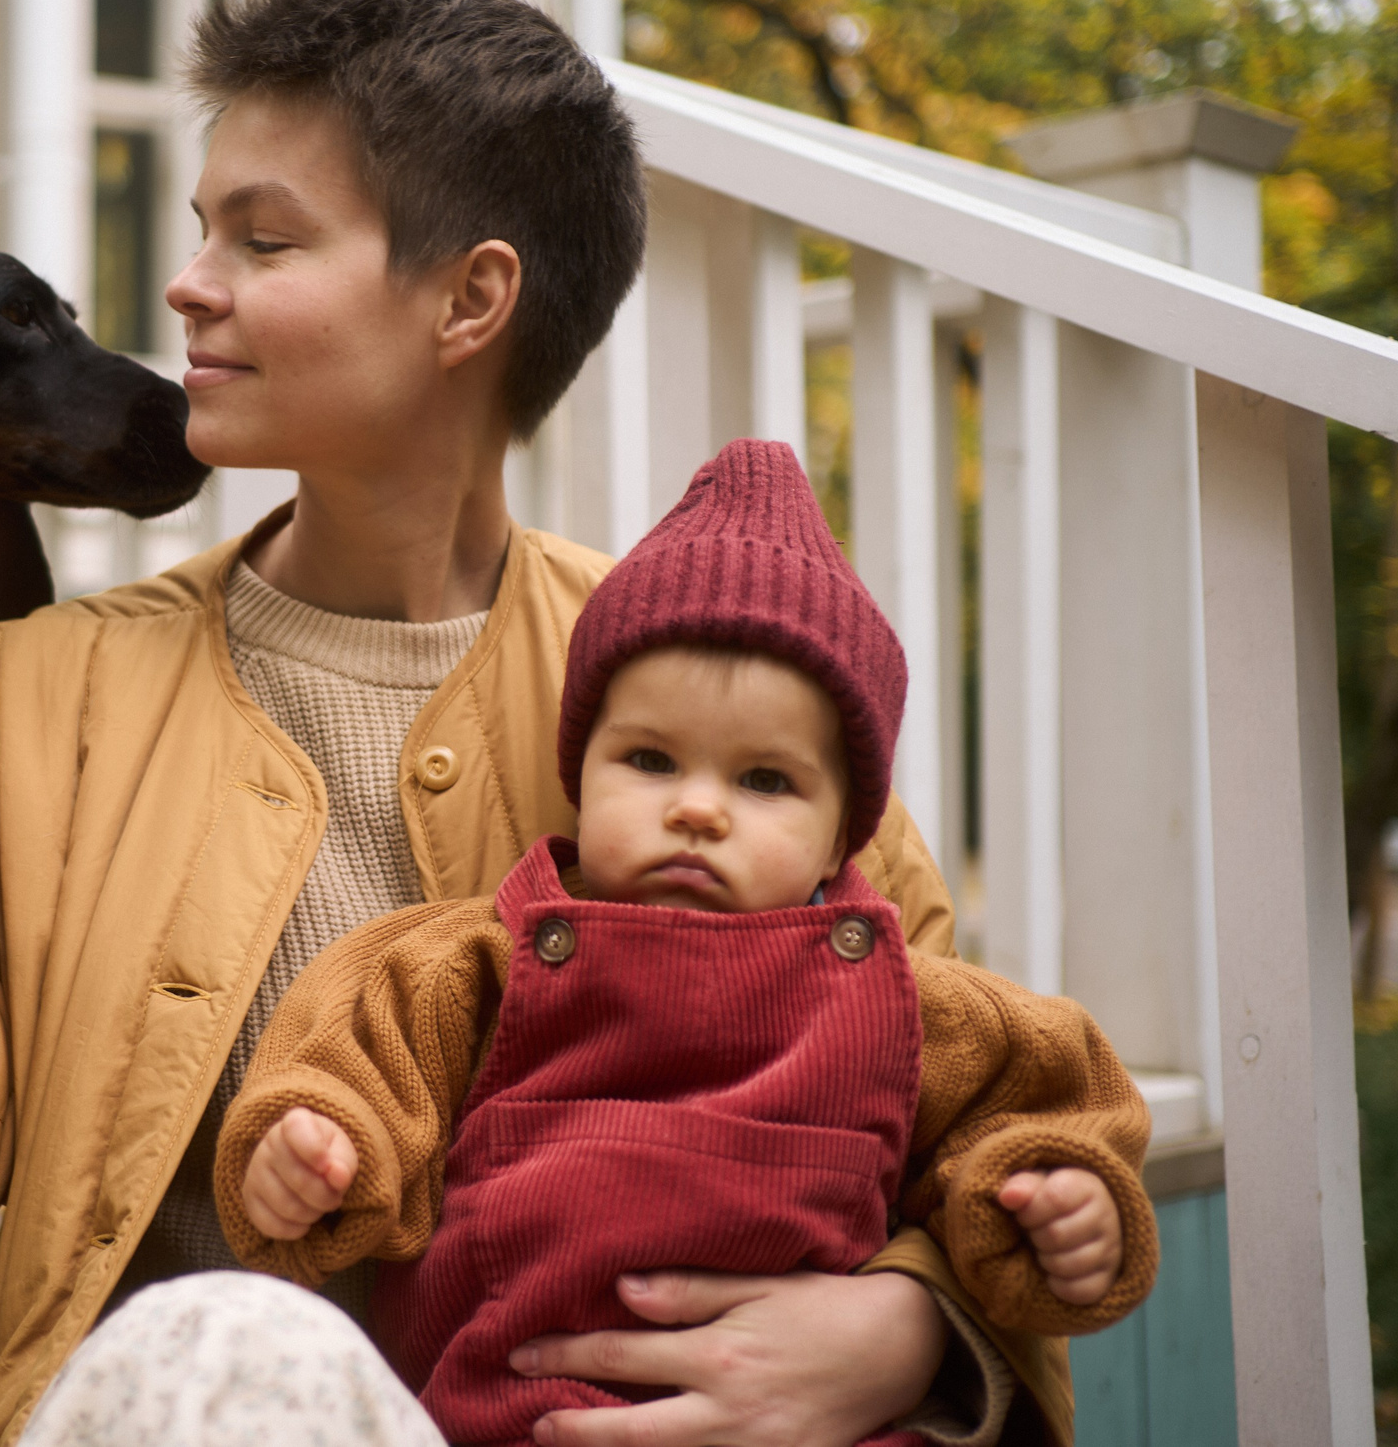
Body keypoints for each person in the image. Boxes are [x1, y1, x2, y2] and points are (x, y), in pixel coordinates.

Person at [0, 0, 1072, 1447]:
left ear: (472, 298)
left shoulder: (729, 693)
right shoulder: (39, 685)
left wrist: (917, 1320)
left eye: (264, 237)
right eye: (205, 230)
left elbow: (960, 1101)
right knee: (221, 1333)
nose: (190, 282)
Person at [220, 439, 1158, 1447]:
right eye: (651, 761)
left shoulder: (906, 1004)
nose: (698, 810)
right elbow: (354, 1046)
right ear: (582, 771)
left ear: (845, 835)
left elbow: (1048, 1095)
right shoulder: (472, 964)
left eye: (764, 782)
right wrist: (315, 1141)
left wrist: (1061, 1201)